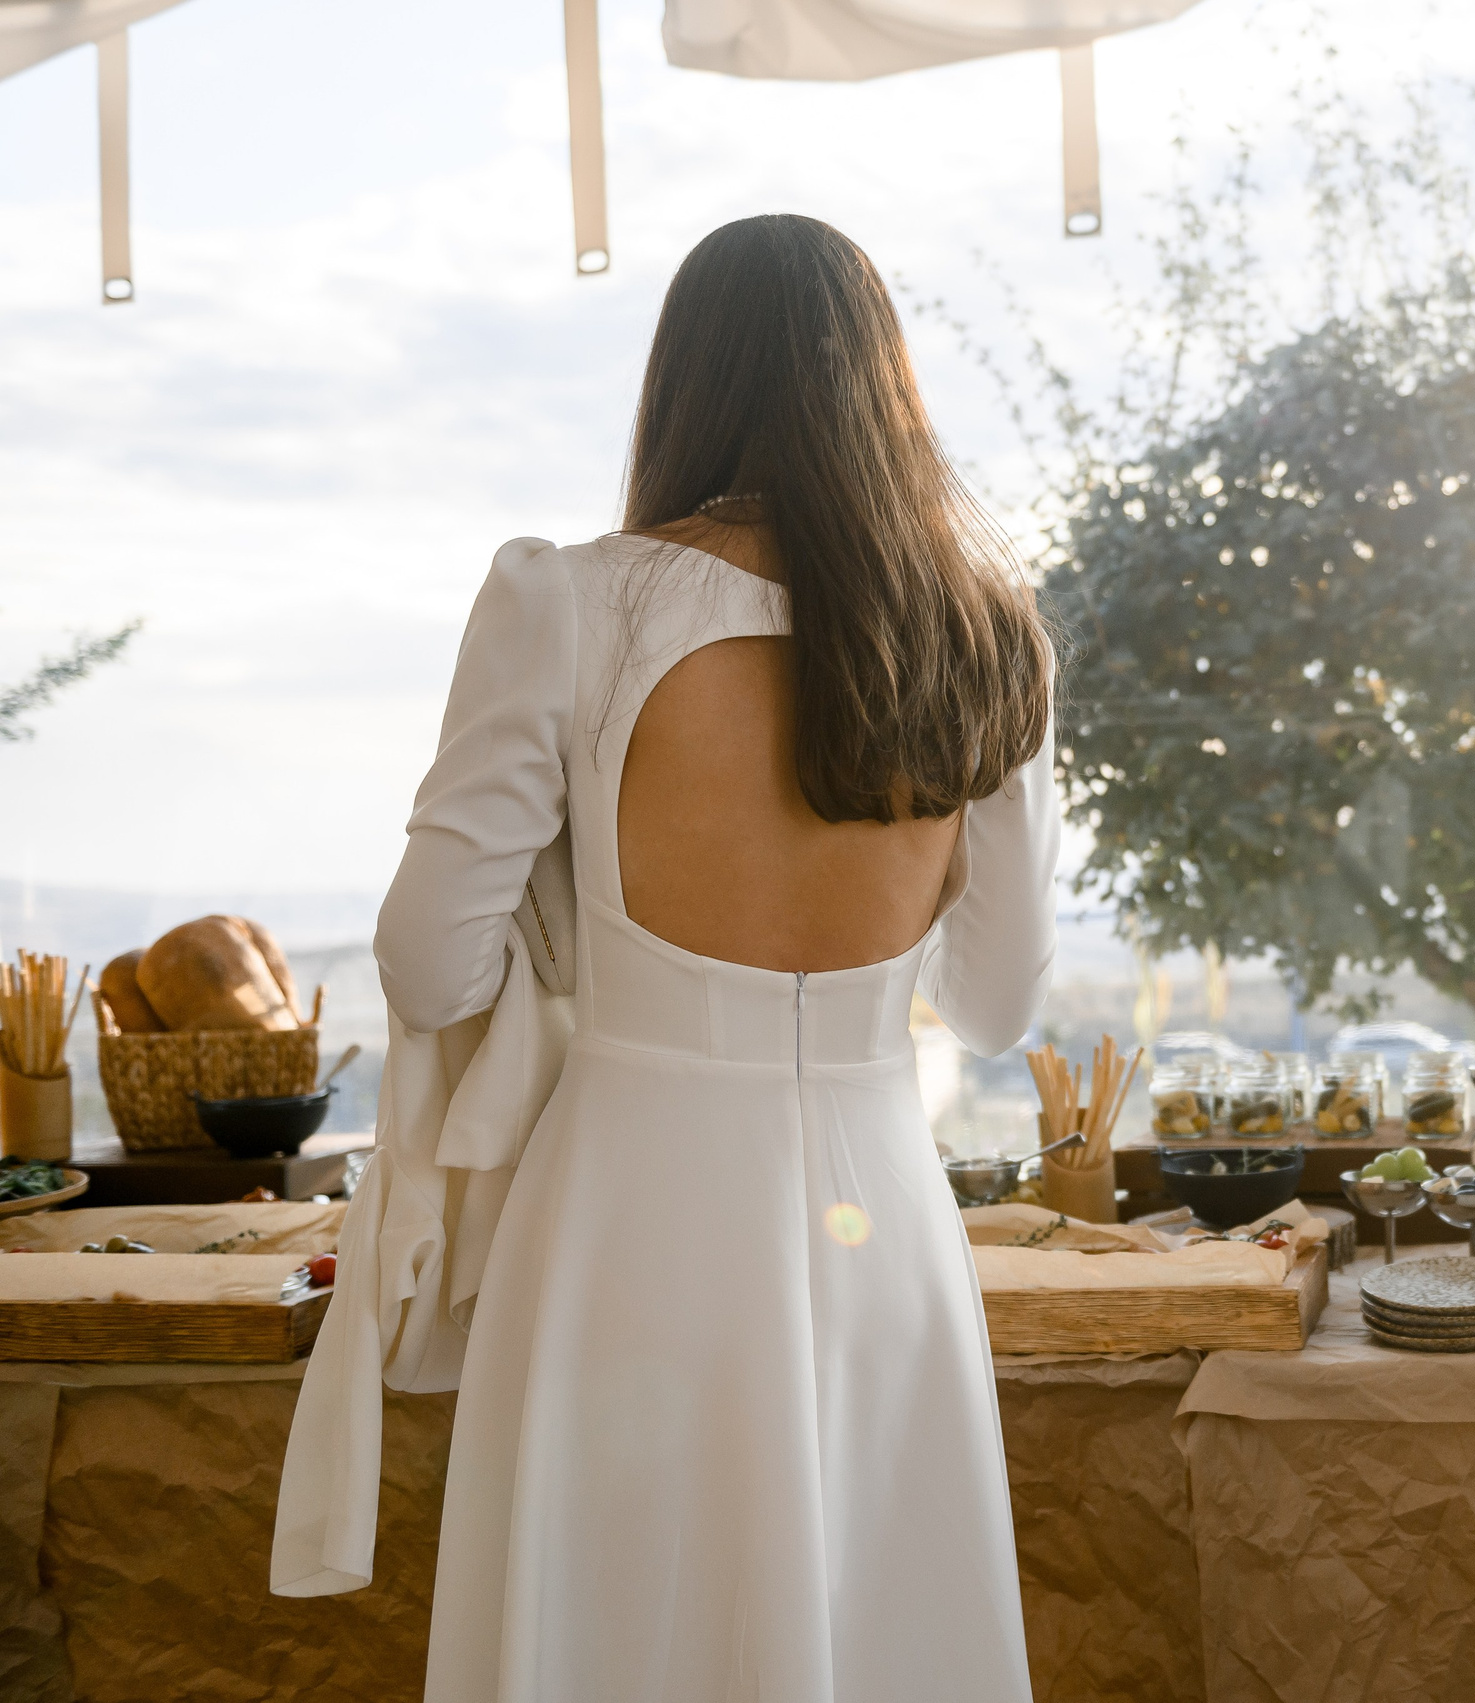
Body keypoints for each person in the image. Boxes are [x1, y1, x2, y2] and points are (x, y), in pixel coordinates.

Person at [373, 213, 1055, 1702]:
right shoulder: (988, 635)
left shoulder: (571, 602)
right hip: (880, 1223)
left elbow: (428, 968)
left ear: (681, 382)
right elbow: (996, 1008)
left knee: (617, 1638)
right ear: (889, 389)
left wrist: (569, 947)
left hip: (632, 1213)